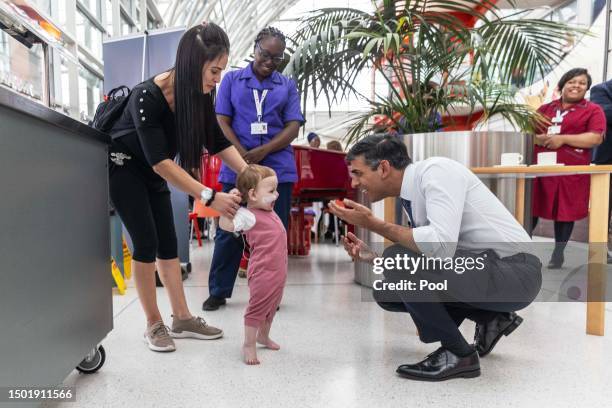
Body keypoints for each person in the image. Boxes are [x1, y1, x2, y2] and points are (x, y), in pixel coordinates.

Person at [329, 135, 542, 381]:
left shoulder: (436, 172)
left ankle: (459, 353)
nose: (354, 182)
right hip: (489, 270)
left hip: (516, 273)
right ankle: (492, 317)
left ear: (384, 168)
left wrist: (374, 224)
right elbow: (430, 264)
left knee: (399, 256)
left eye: (358, 173)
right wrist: (372, 258)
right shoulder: (413, 192)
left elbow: (441, 246)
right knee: (386, 291)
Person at [108, 23, 246, 352]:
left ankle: (182, 317)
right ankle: (153, 324)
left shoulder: (197, 96)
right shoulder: (147, 95)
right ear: (191, 63)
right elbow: (160, 161)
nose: (217, 78)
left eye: (221, 71)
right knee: (145, 242)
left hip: (153, 171)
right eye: (214, 70)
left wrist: (249, 172)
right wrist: (210, 195)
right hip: (122, 166)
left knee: (168, 244)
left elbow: (215, 140)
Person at [203, 27, 303, 311]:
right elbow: (221, 121)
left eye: (276, 57)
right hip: (236, 168)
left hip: (276, 171)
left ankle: (270, 294)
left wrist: (263, 151)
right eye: (265, 54)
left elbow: (293, 126)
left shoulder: (287, 85)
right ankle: (219, 291)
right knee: (229, 228)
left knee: (274, 233)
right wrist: (240, 155)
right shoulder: (232, 80)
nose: (269, 61)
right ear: (255, 47)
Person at [532, 68, 605, 268]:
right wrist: (535, 138)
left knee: (565, 211)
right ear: (562, 85)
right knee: (532, 207)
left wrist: (562, 139)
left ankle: (558, 253)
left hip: (571, 171)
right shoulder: (545, 109)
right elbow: (527, 132)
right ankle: (523, 250)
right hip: (541, 169)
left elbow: (595, 137)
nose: (576, 86)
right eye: (572, 82)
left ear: (587, 88)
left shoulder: (593, 110)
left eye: (582, 83)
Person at [219, 165, 287, 365]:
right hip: (263, 273)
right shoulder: (247, 216)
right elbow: (225, 226)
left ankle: (263, 336)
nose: (277, 194)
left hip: (279, 272)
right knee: (257, 309)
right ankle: (248, 344)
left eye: (276, 189)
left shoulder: (268, 209)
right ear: (253, 194)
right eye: (271, 190)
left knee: (272, 307)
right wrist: (228, 208)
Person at [589, 78, 612, 263]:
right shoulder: (600, 89)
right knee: (604, 209)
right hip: (607, 161)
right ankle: (601, 250)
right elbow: (605, 113)